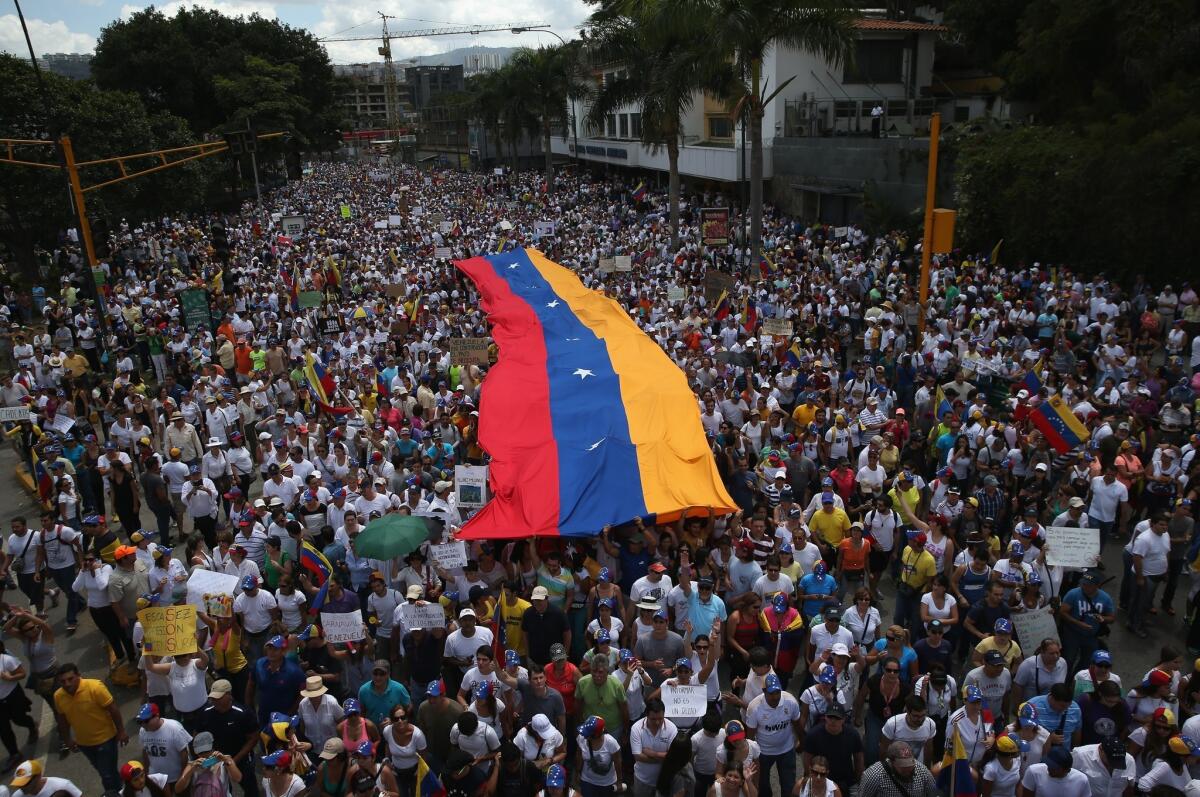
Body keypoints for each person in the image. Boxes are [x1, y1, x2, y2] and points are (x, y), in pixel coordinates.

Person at [53, 662, 126, 795]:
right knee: (105, 771)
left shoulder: (95, 687)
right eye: (63, 681)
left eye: (70, 679)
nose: (67, 684)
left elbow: (113, 709)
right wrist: (67, 739)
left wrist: (121, 731)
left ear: (78, 676)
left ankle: (113, 793)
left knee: (106, 775)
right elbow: (62, 719)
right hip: (84, 744)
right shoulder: (58, 696)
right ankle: (121, 788)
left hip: (106, 740)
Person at [193, 680, 260, 797]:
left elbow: (253, 738)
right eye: (213, 698)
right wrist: (205, 755)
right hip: (216, 759)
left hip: (241, 758)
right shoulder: (205, 713)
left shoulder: (243, 713)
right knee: (220, 788)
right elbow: (197, 734)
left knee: (250, 789)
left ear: (229, 695)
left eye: (218, 698)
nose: (214, 701)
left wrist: (235, 759)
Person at [744, 675, 800, 797]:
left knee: (789, 786)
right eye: (771, 693)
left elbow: (797, 724)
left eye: (777, 692)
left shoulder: (791, 701)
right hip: (763, 752)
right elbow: (750, 736)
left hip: (786, 750)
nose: (775, 697)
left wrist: (801, 741)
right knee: (762, 786)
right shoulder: (754, 707)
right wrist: (751, 756)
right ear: (764, 691)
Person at [630, 698, 678, 797]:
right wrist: (663, 758)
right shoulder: (636, 728)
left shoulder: (672, 729)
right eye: (653, 719)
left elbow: (673, 756)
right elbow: (638, 757)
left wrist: (653, 754)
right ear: (646, 715)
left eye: (660, 718)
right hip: (642, 779)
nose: (657, 722)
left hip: (664, 780)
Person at [857, 741, 938, 797]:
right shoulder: (873, 775)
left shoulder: (922, 771)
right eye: (903, 766)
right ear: (891, 762)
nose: (907, 769)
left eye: (910, 764)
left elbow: (933, 794)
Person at [1070, 736, 1135, 797]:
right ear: (1101, 749)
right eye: (1111, 760)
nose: (1113, 766)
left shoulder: (1129, 760)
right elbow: (1068, 780)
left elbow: (1129, 787)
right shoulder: (1080, 755)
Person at [576, 715, 622, 797]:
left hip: (607, 783)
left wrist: (619, 782)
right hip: (587, 780)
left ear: (596, 735)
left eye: (587, 734)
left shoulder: (611, 743)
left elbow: (618, 763)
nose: (583, 735)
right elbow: (579, 756)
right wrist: (577, 773)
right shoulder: (581, 738)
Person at [1019, 746, 1092, 797]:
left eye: (1054, 768)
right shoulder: (1033, 771)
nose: (1049, 769)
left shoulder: (1082, 779)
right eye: (1048, 765)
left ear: (1067, 770)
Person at [9, 759, 82, 797]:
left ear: (38, 776)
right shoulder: (17, 796)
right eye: (19, 784)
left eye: (26, 783)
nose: (22, 787)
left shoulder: (63, 785)